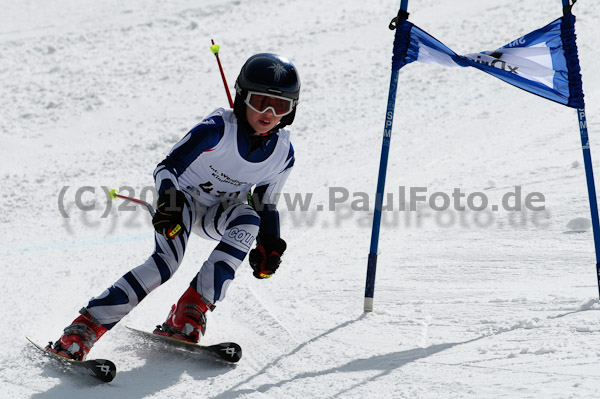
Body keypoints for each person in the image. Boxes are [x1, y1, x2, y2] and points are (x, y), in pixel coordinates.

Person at [48, 53, 300, 361]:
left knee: (249, 220)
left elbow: (265, 202)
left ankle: (190, 310)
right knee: (166, 264)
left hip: (218, 212)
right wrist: (168, 200)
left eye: (281, 105)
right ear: (242, 98)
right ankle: (83, 328)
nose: (270, 113)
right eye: (260, 102)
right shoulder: (216, 130)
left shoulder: (283, 154)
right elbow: (167, 167)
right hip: (181, 202)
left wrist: (269, 244)